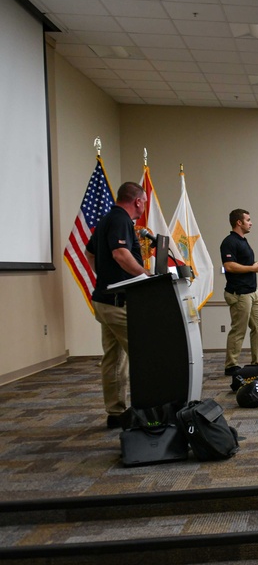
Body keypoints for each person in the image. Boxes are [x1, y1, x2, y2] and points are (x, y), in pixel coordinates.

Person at [85, 182, 151, 428]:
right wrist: (144, 276)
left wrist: (104, 276)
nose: (144, 206)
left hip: (104, 300)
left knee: (114, 358)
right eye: (143, 202)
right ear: (137, 201)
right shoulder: (121, 219)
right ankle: (149, 410)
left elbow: (89, 252)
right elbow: (120, 254)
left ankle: (116, 413)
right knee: (146, 353)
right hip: (117, 303)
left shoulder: (106, 220)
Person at [220, 208, 258, 376]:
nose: (251, 222)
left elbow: (251, 266)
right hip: (239, 294)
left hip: (253, 292)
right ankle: (231, 365)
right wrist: (251, 268)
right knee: (239, 330)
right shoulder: (229, 242)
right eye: (248, 220)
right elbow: (229, 266)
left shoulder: (243, 241)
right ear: (239, 222)